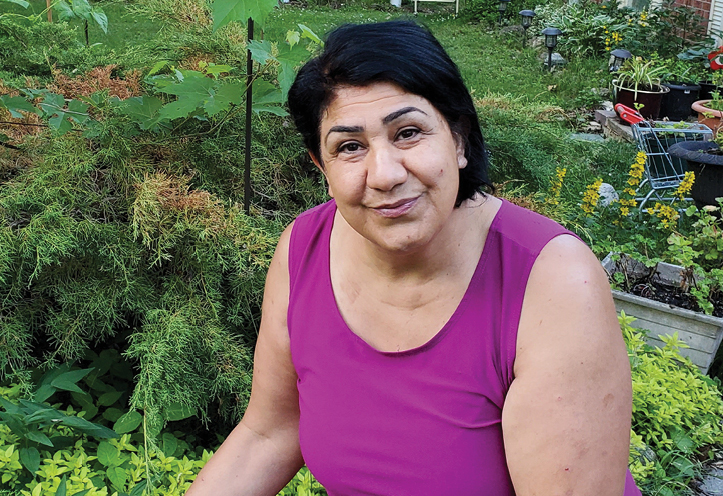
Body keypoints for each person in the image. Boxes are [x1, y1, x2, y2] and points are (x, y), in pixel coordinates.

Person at [186, 21, 641, 496]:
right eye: (350, 147)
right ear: (321, 167)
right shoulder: (304, 248)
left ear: (458, 138)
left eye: (407, 133)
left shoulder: (552, 283)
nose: (384, 174)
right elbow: (268, 433)